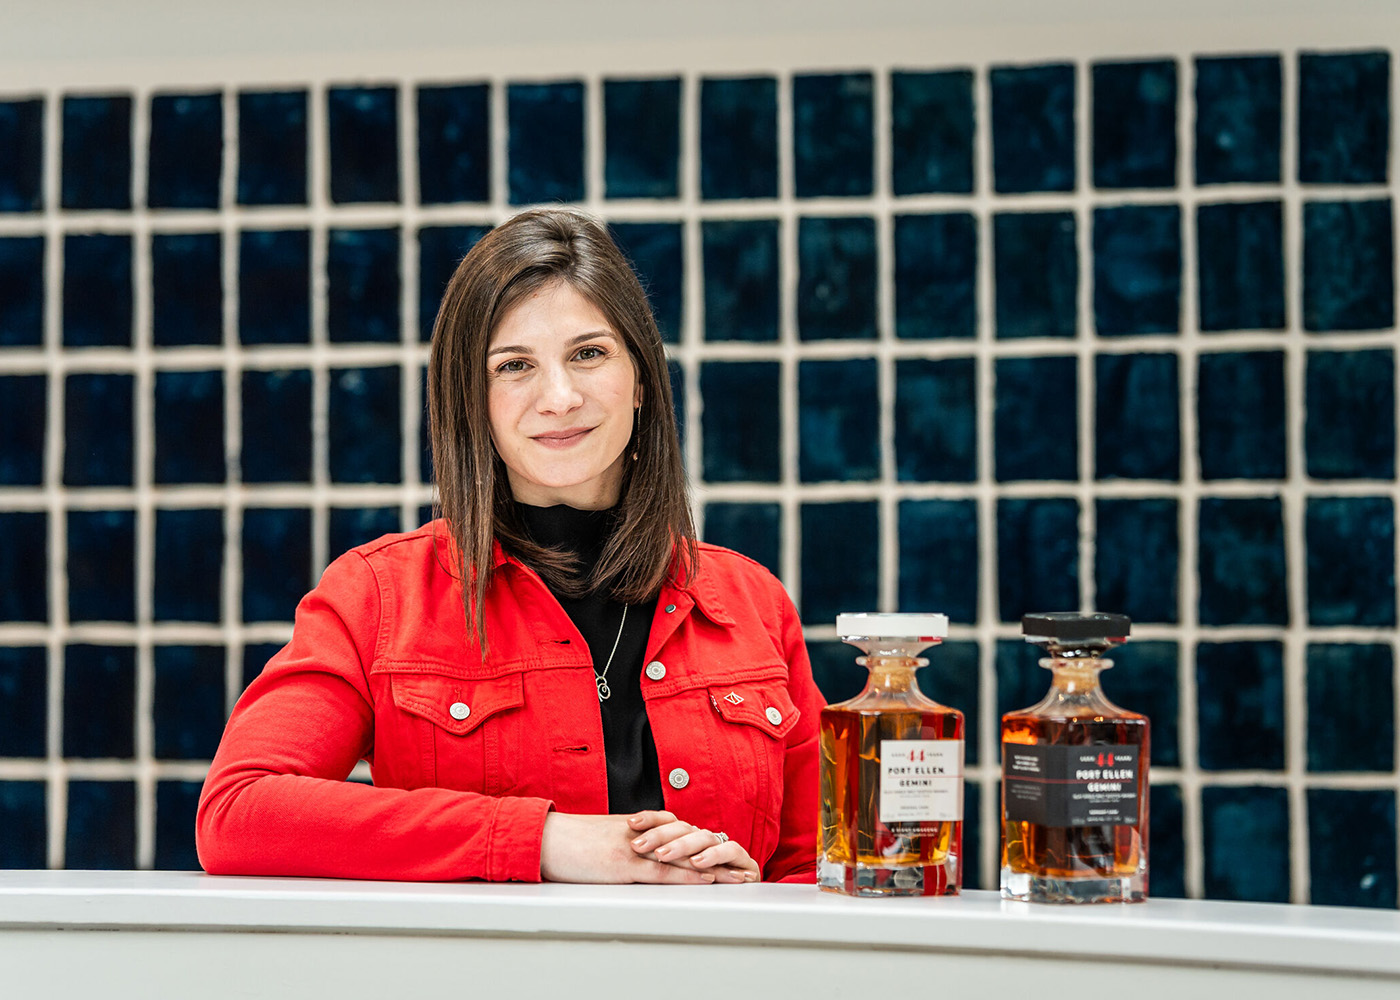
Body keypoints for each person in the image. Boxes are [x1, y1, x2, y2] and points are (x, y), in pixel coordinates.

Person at [197, 208, 824, 884]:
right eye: (514, 365)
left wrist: (753, 898)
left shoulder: (753, 603)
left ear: (640, 379)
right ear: (473, 400)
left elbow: (820, 869)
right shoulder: (378, 597)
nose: (558, 397)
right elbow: (238, 813)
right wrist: (545, 841)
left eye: (588, 354)